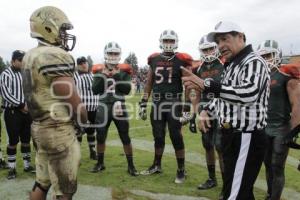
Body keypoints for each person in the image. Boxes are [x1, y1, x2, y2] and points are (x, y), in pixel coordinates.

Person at [182, 21, 270, 199]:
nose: (221, 45)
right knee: (237, 190)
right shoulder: (232, 64)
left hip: (247, 135)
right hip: (233, 135)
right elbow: (225, 97)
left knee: (236, 194)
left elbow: (248, 94)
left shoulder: (253, 61)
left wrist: (205, 84)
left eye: (225, 39)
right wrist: (207, 110)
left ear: (240, 37)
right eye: (218, 42)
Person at [22, 6, 88, 200]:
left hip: (39, 127)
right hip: (58, 130)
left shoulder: (29, 55)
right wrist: (83, 119)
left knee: (42, 182)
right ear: (49, 28)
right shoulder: (54, 55)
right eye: (63, 29)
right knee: (64, 191)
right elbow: (69, 97)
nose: (65, 35)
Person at [139, 29, 193, 184]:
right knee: (158, 135)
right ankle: (157, 165)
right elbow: (149, 82)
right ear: (161, 41)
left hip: (173, 101)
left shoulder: (182, 59)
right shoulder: (154, 59)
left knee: (176, 135)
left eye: (171, 41)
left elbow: (188, 84)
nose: (168, 43)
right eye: (166, 41)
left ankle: (181, 169)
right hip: (157, 102)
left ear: (175, 42)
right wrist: (143, 102)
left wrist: (187, 106)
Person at [257, 40, 300, 200]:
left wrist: (294, 130)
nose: (266, 59)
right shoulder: (259, 76)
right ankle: (270, 195)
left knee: (277, 166)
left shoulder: (285, 74)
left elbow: (297, 104)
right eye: (263, 56)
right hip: (264, 126)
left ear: (277, 55)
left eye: (268, 55)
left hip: (281, 128)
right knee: (267, 164)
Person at [91, 41, 138, 176]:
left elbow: (127, 89)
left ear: (119, 55)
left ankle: (131, 165)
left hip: (119, 105)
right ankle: (100, 163)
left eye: (115, 53)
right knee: (100, 136)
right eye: (110, 53)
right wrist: (104, 75)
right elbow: (95, 90)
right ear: (106, 54)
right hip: (103, 105)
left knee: (125, 136)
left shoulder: (124, 70)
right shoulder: (99, 70)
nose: (113, 55)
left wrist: (116, 76)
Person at [192, 35, 225, 196]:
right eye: (205, 49)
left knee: (221, 147)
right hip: (204, 111)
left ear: (216, 47)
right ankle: (212, 178)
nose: (208, 52)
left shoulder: (225, 64)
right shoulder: (199, 68)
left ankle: (227, 184)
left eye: (211, 48)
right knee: (207, 145)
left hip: (223, 110)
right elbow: (197, 93)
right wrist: (193, 113)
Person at [0, 50, 34, 180]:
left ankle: (27, 165)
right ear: (13, 60)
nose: (22, 62)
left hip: (26, 112)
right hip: (13, 112)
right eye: (20, 60)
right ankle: (12, 168)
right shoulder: (5, 74)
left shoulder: (25, 74)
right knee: (13, 141)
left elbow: (30, 90)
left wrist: (29, 105)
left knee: (26, 139)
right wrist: (21, 105)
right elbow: (5, 93)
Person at [74, 56, 98, 160]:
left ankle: (92, 151)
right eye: (81, 63)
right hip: (82, 109)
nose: (84, 65)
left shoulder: (93, 75)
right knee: (79, 131)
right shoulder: (74, 76)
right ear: (77, 65)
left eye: (85, 62)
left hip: (94, 108)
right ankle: (77, 154)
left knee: (92, 131)